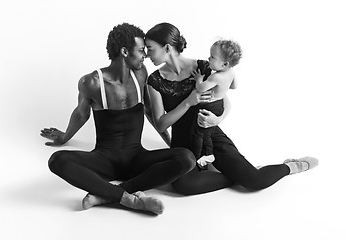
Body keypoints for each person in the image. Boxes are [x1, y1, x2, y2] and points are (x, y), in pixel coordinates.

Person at [145, 22, 318, 195]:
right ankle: (236, 175)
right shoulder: (155, 81)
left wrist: (218, 119)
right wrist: (188, 102)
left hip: (211, 134)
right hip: (183, 145)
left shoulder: (204, 67)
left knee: (255, 181)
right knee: (184, 185)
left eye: (150, 48)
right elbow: (160, 124)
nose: (147, 54)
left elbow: (225, 101)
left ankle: (292, 165)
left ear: (167, 48)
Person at [40, 23, 195, 215]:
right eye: (140, 50)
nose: (145, 55)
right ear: (124, 51)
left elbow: (149, 112)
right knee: (57, 160)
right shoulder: (91, 82)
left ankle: (109, 195)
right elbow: (82, 114)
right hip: (104, 161)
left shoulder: (140, 75)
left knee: (186, 158)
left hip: (137, 158)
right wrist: (64, 137)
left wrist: (170, 145)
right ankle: (130, 200)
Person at [190, 39, 240, 169]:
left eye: (212, 57)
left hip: (209, 106)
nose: (208, 58)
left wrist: (199, 79)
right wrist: (221, 91)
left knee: (199, 133)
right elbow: (234, 86)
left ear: (224, 64)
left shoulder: (216, 77)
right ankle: (208, 153)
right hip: (219, 105)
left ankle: (198, 158)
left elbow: (200, 88)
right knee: (208, 132)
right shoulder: (231, 73)